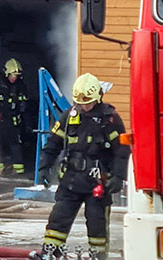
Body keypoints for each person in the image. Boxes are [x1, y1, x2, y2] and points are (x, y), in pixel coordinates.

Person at [35, 73, 129, 260]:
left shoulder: (109, 119)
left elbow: (121, 151)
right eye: (80, 103)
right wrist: (44, 168)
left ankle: (98, 256)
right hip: (71, 180)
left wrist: (118, 177)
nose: (84, 107)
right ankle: (50, 253)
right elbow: (52, 145)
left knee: (97, 224)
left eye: (88, 103)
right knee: (58, 220)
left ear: (97, 98)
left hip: (98, 182)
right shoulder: (69, 117)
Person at [0, 58, 31, 176]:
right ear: (7, 73)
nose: (14, 78)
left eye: (17, 76)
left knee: (15, 146)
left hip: (13, 123)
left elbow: (24, 107)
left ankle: (18, 172)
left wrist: (27, 124)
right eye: (12, 75)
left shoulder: (20, 87)